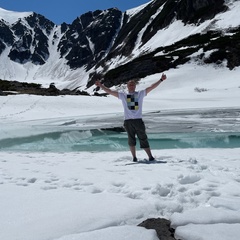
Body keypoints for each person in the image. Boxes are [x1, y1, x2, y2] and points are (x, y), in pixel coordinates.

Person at [95, 73, 167, 162]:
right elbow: (109, 91)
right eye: (130, 85)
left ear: (135, 86)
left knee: (143, 138)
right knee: (131, 139)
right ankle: (134, 157)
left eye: (133, 84)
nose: (131, 86)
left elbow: (151, 87)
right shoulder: (123, 95)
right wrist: (101, 85)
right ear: (127, 86)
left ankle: (150, 156)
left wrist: (161, 80)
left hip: (138, 120)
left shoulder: (140, 94)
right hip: (128, 121)